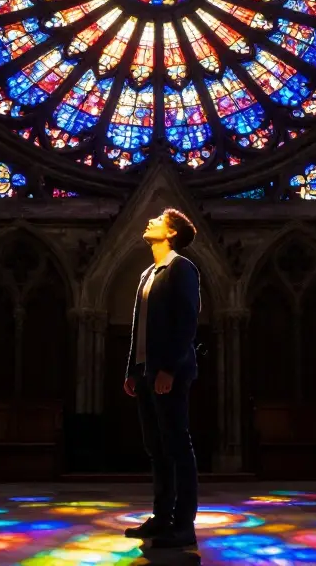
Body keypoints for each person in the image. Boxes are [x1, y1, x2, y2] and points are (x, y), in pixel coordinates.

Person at [122, 208, 201, 549]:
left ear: (170, 234)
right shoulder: (148, 274)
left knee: (177, 446)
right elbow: (139, 329)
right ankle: (160, 517)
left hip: (169, 371)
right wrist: (131, 369)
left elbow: (186, 322)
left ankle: (183, 525)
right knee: (157, 448)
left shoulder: (182, 269)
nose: (150, 221)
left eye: (158, 220)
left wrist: (168, 368)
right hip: (145, 372)